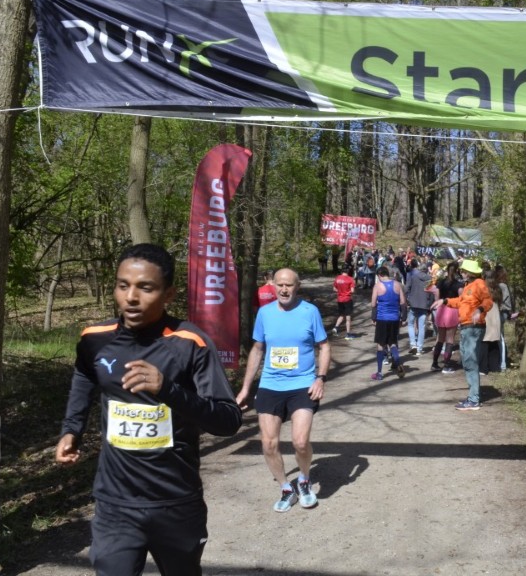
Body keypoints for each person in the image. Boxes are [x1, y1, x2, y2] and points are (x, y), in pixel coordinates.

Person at [56, 244, 243, 575]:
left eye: (146, 287)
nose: (131, 297)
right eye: (123, 285)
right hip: (115, 504)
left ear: (169, 293)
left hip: (175, 502)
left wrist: (168, 390)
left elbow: (228, 421)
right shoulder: (94, 339)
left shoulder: (190, 343)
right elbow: (84, 376)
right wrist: (72, 429)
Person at [237, 268, 331, 513]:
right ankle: (286, 488)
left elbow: (324, 346)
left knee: (300, 442)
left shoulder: (310, 312)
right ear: (273, 286)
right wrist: (245, 388)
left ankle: (304, 480)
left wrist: (320, 378)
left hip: (302, 384)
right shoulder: (265, 313)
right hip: (271, 384)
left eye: (289, 285)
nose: (284, 289)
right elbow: (258, 349)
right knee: (269, 443)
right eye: (279, 284)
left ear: (297, 287)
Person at [432, 259, 492, 411]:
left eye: (464, 271)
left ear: (470, 272)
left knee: (470, 361)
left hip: (474, 327)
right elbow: (461, 301)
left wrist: (479, 310)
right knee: (467, 361)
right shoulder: (468, 286)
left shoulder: (479, 284)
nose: (461, 273)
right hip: (466, 327)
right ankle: (473, 396)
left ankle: (474, 400)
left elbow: (488, 301)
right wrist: (445, 301)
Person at [370, 266, 407, 380]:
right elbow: (403, 302)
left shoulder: (378, 286)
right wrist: (403, 318)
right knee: (393, 343)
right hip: (394, 318)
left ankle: (379, 373)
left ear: (379, 275)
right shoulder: (397, 285)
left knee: (380, 345)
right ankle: (398, 362)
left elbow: (373, 304)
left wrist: (373, 317)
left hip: (382, 318)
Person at [432, 261, 463, 373]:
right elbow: (461, 300)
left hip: (441, 310)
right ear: (457, 271)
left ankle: (434, 363)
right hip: (452, 311)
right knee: (450, 340)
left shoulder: (440, 282)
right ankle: (446, 365)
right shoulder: (459, 285)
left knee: (440, 338)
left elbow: (437, 296)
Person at [404, 259, 434, 355]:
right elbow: (431, 293)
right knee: (421, 327)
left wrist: (406, 299)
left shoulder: (413, 276)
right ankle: (419, 348)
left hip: (413, 303)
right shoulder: (430, 279)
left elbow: (406, 289)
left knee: (410, 324)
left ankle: (413, 344)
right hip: (424, 304)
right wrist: (430, 305)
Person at [332, 264, 356, 339]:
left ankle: (335, 328)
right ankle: (348, 334)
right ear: (348, 270)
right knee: (348, 318)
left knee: (341, 315)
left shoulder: (337, 278)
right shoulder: (350, 279)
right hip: (347, 299)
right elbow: (352, 291)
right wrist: (347, 292)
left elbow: (334, 289)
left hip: (339, 299)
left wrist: (340, 291)